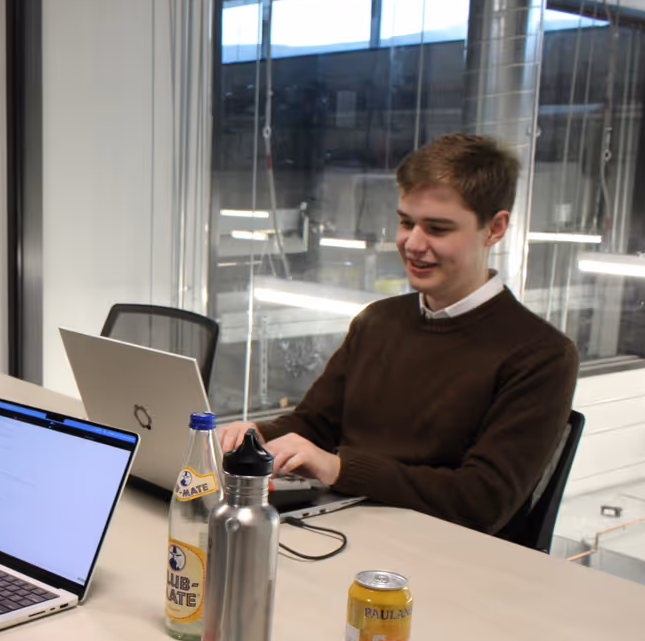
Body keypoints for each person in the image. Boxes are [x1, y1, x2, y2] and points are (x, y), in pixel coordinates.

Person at [219, 133, 579, 539]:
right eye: (407, 222)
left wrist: (339, 468)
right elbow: (315, 423)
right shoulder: (378, 321)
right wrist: (255, 437)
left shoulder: (541, 355)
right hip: (345, 528)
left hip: (446, 551)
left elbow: (482, 501)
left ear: (494, 228)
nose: (413, 244)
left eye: (438, 228)